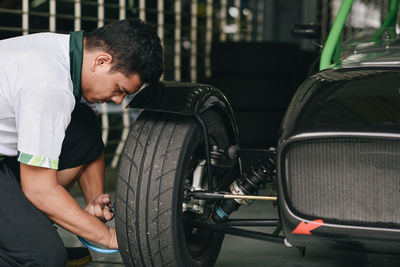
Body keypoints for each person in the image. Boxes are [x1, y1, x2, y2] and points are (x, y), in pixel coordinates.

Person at [0, 17, 163, 266]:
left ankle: (23, 234)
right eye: (119, 89)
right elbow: (38, 189)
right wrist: (107, 237)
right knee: (42, 257)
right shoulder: (49, 86)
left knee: (83, 122)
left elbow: (86, 140)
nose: (118, 101)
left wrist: (94, 200)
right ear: (102, 61)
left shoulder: (65, 53)